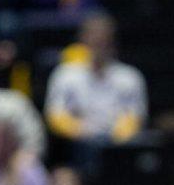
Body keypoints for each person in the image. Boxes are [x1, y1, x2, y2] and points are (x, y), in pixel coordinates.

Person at [44, 13, 148, 144]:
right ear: (83, 40)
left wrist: (119, 135)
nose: (99, 45)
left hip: (118, 144)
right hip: (76, 145)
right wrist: (81, 131)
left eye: (104, 40)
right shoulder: (65, 74)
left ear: (112, 41)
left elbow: (135, 117)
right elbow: (55, 115)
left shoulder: (129, 77)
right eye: (94, 40)